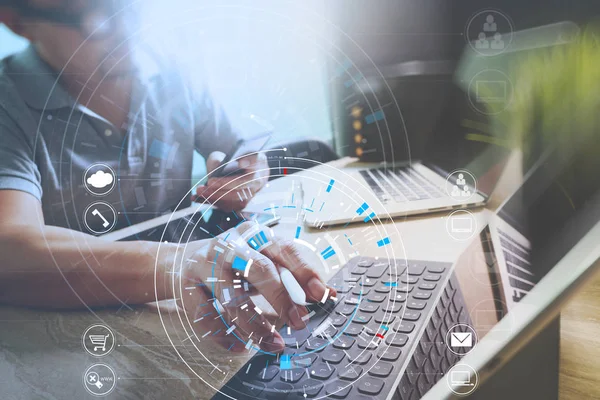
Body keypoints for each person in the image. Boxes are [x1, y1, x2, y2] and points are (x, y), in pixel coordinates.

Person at [0, 0, 335, 353]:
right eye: (98, 21)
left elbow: (242, 153)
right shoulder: (8, 107)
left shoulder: (170, 69)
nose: (129, 32)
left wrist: (249, 175)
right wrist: (181, 263)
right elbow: (10, 249)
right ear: (17, 22)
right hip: (74, 339)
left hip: (187, 309)